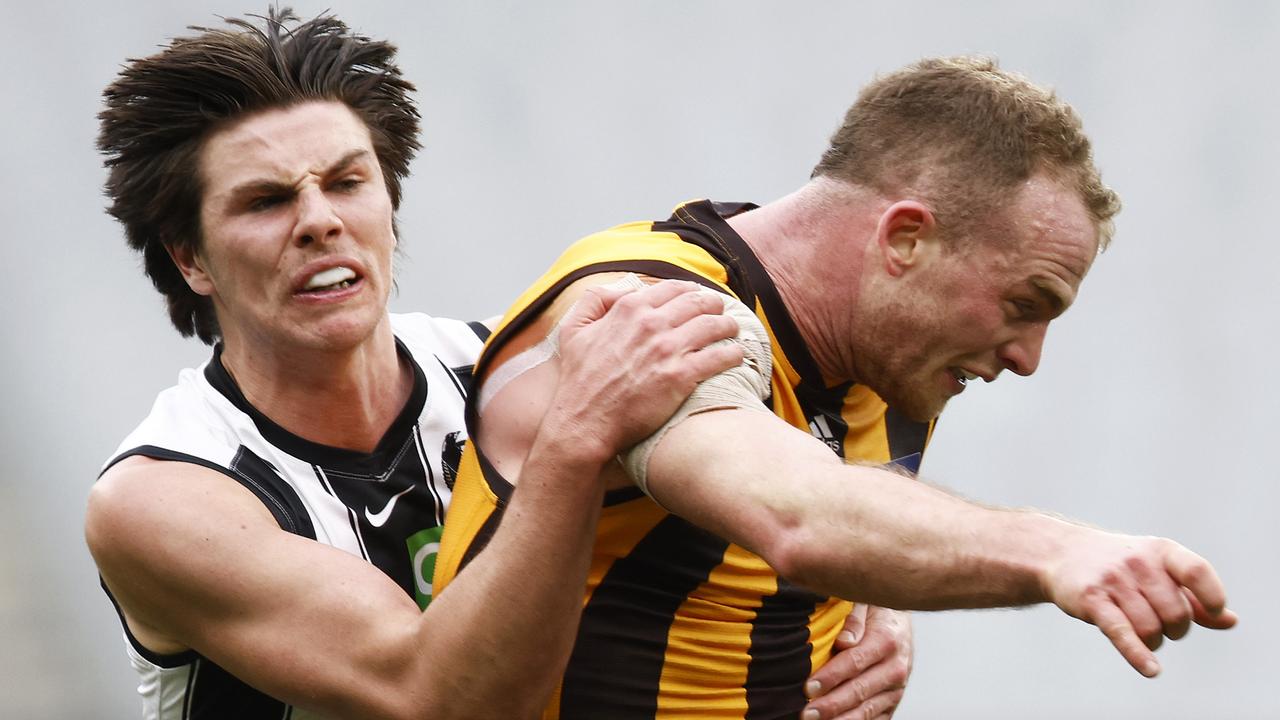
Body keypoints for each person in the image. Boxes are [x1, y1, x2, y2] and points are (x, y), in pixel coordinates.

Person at [84, 9, 908, 719]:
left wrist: (865, 606)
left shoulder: (500, 363)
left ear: (388, 203)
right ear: (190, 258)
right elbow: (442, 699)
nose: (319, 222)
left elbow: (781, 457)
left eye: (347, 182)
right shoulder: (163, 499)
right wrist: (574, 439)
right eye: (266, 201)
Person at [432, 56, 1238, 719]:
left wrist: (880, 594)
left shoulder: (888, 356)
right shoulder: (655, 312)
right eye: (1026, 306)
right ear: (906, 239)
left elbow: (843, 519)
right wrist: (1059, 550)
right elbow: (798, 517)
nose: (1029, 357)